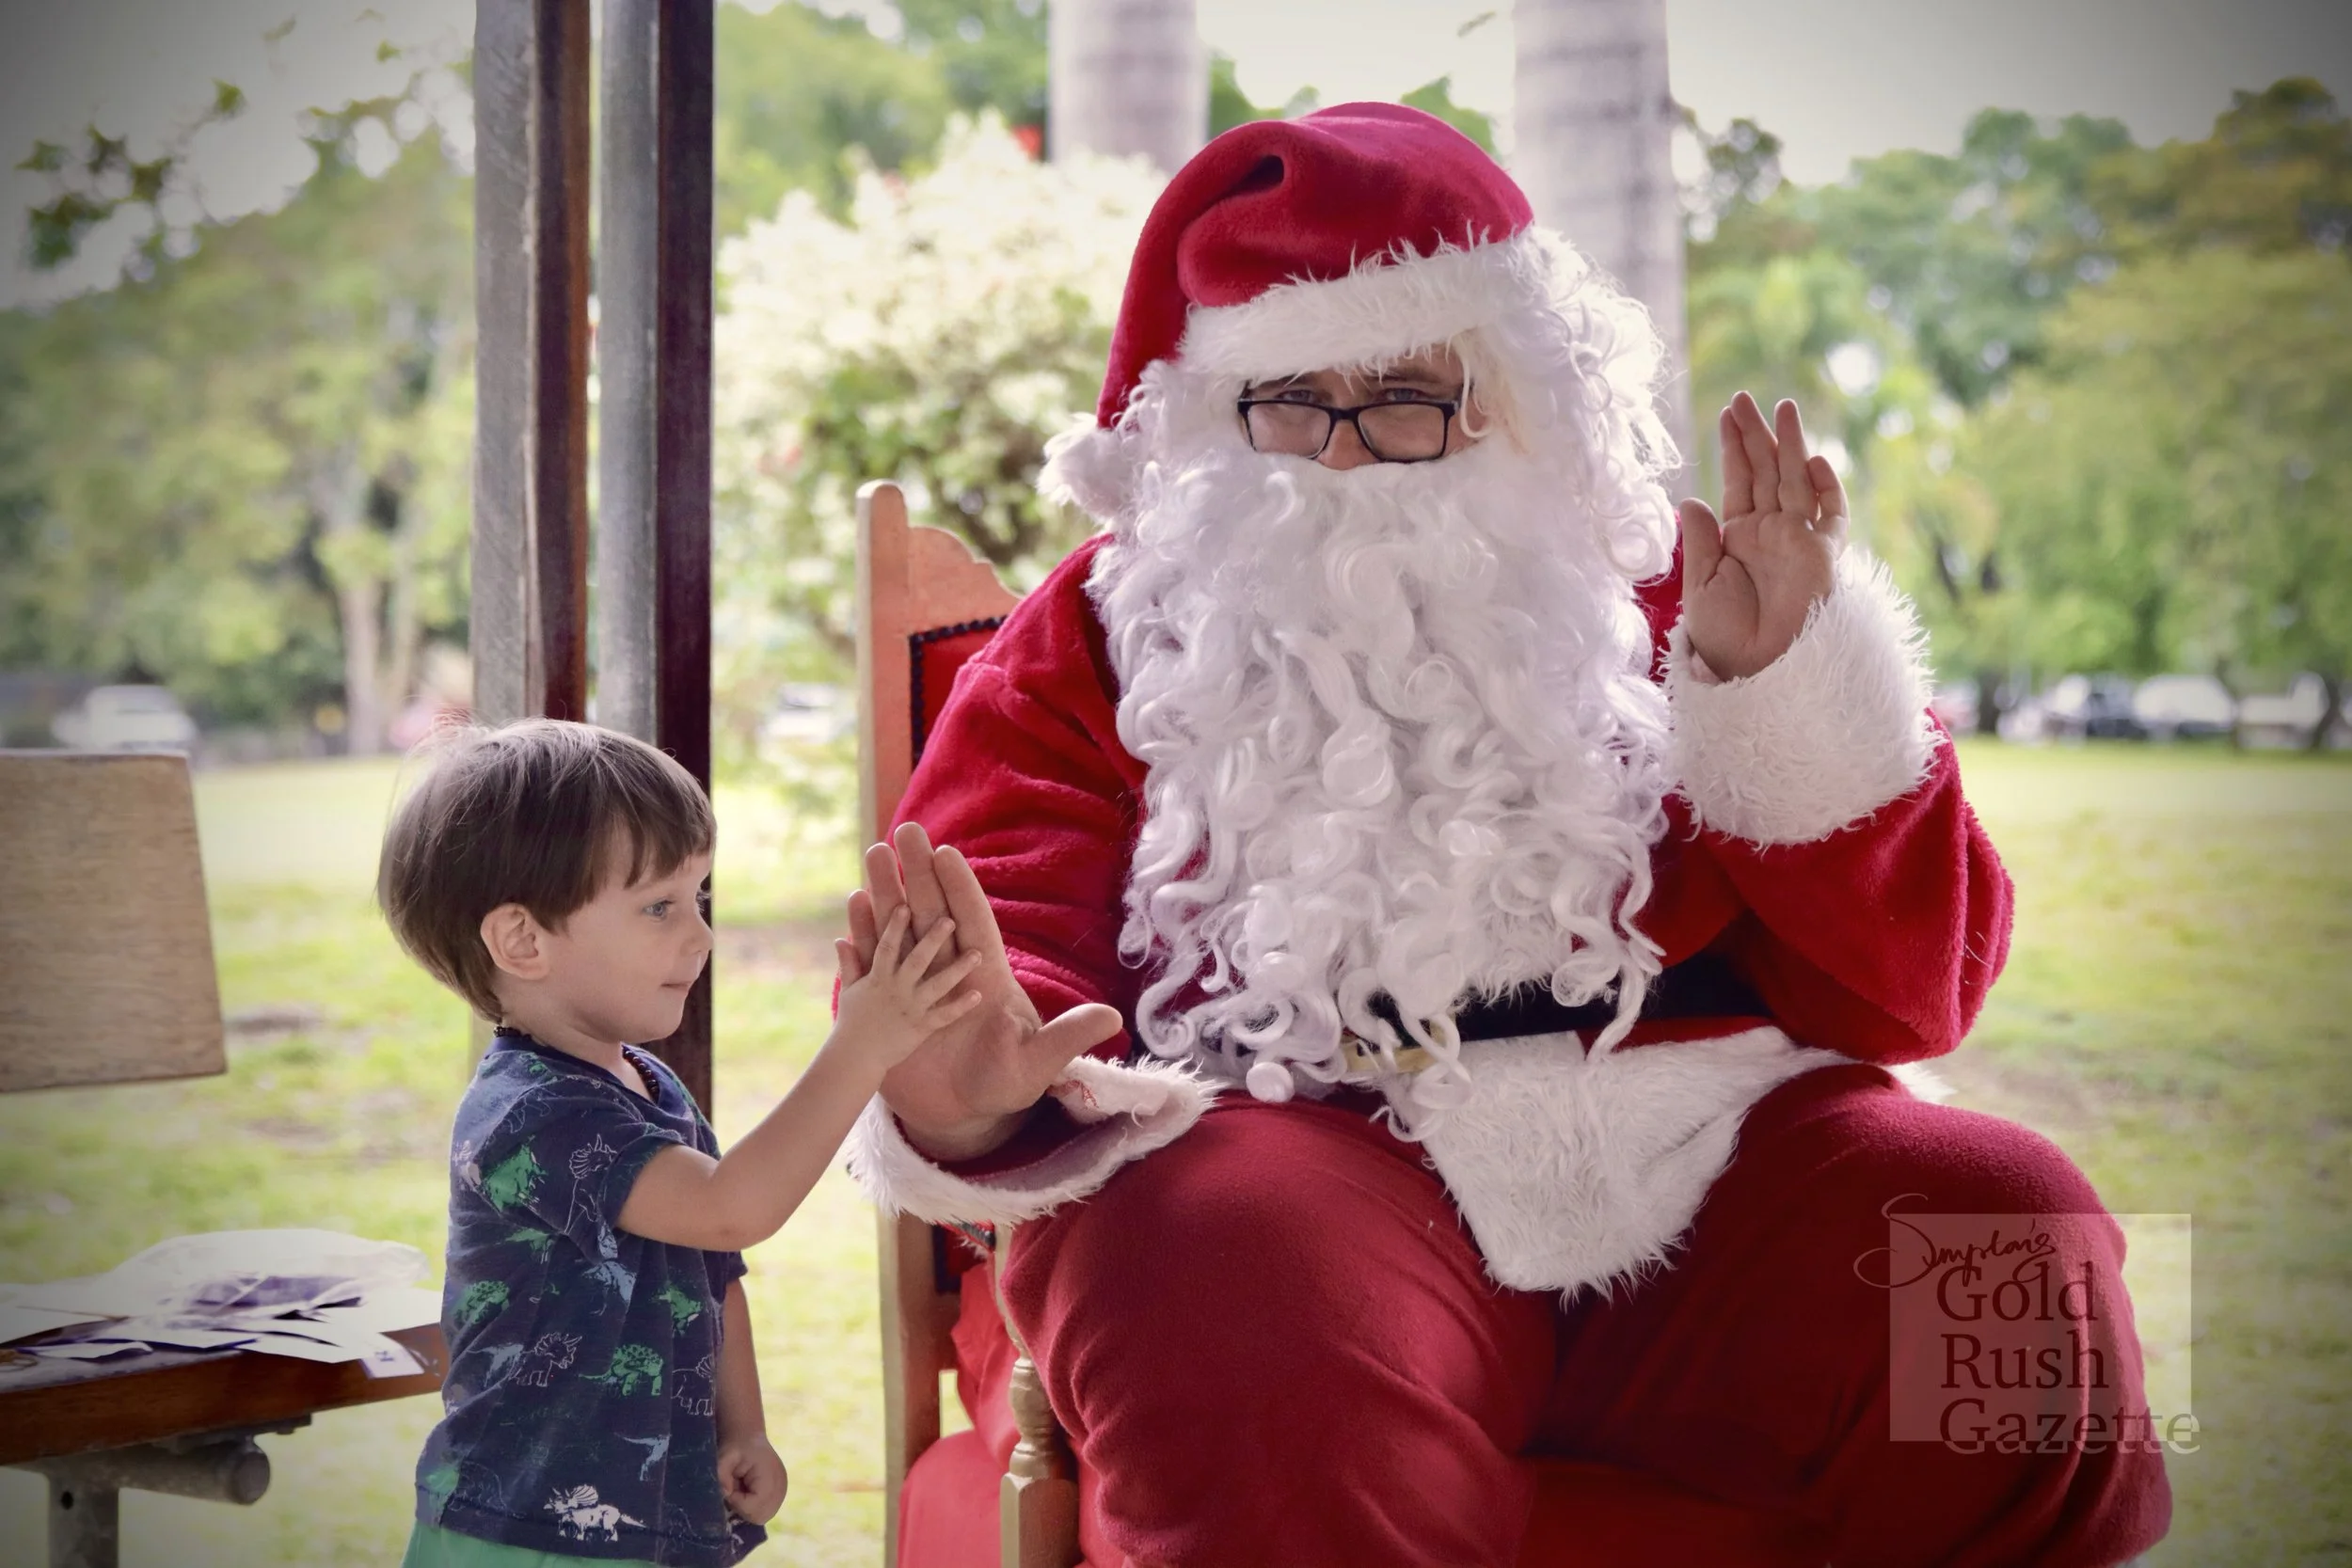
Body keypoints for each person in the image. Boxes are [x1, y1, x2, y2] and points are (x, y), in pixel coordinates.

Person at [843, 103, 2172, 1566]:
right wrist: (968, 1084)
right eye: (1291, 398)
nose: (1347, 456)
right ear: (1210, 417)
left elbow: (1919, 997)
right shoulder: (1109, 630)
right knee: (1205, 1259)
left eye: (1407, 391)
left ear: (1514, 394)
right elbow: (994, 921)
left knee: (2003, 1231)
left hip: (1697, 1144)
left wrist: (1793, 692)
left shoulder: (1681, 594)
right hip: (1298, 1141)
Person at [377, 719, 987, 1568]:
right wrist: (864, 1043)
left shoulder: (646, 1086)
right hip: (524, 1531)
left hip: (644, 1520)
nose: (699, 935)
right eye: (660, 905)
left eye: (697, 897)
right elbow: (733, 1209)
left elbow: (713, 1269)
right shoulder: (532, 1114)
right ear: (523, 940)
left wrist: (746, 1426)